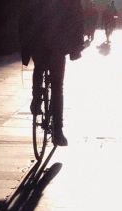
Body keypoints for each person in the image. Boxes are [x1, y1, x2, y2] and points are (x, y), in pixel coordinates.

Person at [20, 0, 84, 147]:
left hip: (38, 40)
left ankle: (36, 98)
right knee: (57, 87)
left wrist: (25, 45)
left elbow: (25, 14)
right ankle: (58, 131)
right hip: (58, 43)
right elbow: (77, 15)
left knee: (39, 67)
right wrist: (76, 46)